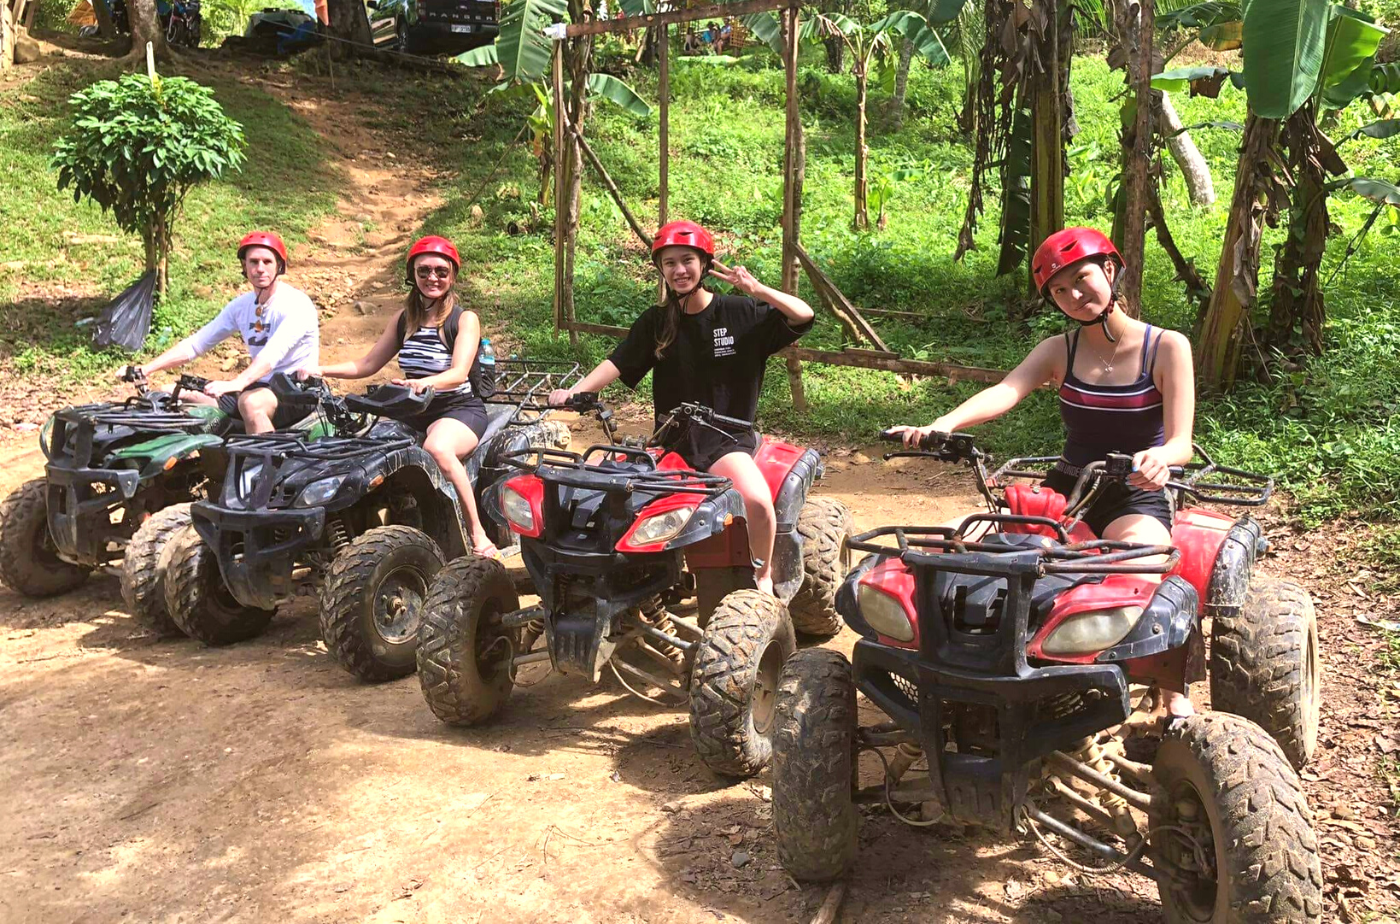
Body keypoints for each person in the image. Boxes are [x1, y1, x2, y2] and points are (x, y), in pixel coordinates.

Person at [888, 226, 1197, 717]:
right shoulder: (1060, 349)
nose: (1074, 295)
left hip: (1135, 488)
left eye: (1082, 279)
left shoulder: (1166, 347)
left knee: (1140, 563)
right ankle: (996, 670)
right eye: (1059, 290)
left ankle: (1167, 680)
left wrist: (1160, 458)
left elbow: (1182, 440)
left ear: (1110, 271)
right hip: (1067, 487)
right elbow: (1007, 391)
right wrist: (941, 423)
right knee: (995, 557)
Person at [548, 220, 815, 596]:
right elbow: (618, 362)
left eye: (687, 260)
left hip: (725, 439)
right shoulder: (657, 321)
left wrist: (756, 289)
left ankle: (764, 578)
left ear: (705, 265)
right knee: (605, 489)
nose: (679, 270)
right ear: (661, 269)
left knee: (757, 500)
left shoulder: (739, 313)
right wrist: (574, 391)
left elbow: (803, 315)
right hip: (670, 439)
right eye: (669, 263)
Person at [300, 236, 499, 560]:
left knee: (438, 448)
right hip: (411, 407)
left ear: (452, 276)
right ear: (412, 275)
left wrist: (421, 383)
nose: (432, 278)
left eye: (440, 271)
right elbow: (367, 364)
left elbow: (459, 373)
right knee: (364, 447)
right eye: (424, 271)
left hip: (457, 408)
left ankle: (478, 533)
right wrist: (321, 370)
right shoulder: (404, 318)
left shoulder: (464, 319)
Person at [126, 231, 319, 435]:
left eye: (267, 262)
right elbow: (196, 344)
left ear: (279, 265)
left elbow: (272, 355)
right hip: (257, 386)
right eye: (253, 262)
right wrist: (146, 369)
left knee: (250, 402)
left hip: (296, 391)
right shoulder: (241, 306)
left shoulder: (296, 304)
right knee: (169, 392)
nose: (260, 269)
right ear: (244, 266)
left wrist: (236, 383)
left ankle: (265, 464)